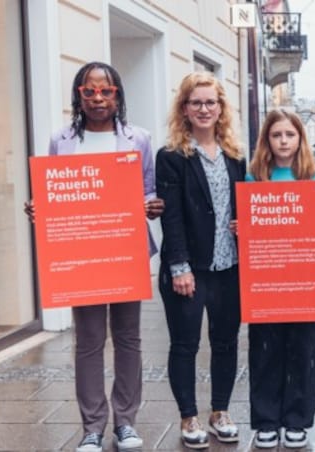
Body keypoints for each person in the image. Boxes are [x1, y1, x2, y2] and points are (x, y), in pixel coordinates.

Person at [24, 62, 164, 452]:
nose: (98, 98)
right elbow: (56, 192)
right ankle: (92, 427)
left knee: (128, 338)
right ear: (79, 95)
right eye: (90, 92)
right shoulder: (62, 140)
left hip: (124, 249)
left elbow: (148, 188)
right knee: (88, 341)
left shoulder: (138, 138)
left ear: (118, 94)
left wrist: (151, 205)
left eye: (106, 91)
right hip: (82, 254)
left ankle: (126, 422)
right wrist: (40, 207)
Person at [156, 72, 244, 449]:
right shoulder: (172, 156)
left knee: (226, 343)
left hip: (230, 267)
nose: (204, 109)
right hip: (189, 269)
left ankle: (220, 411)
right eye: (197, 103)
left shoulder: (237, 156)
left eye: (211, 102)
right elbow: (170, 215)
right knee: (185, 345)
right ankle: (188, 417)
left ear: (221, 108)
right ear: (185, 109)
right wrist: (179, 266)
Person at [242, 110, 315, 449]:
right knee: (265, 351)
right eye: (277, 135)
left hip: (305, 279)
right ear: (267, 140)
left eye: (290, 135)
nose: (284, 141)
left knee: (302, 351)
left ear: (300, 139)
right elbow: (247, 221)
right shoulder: (254, 177)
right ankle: (265, 420)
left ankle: (297, 419)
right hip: (266, 278)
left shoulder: (314, 175)